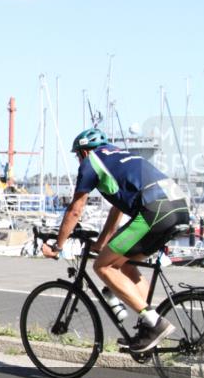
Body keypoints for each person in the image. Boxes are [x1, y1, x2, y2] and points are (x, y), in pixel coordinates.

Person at [42, 128, 189, 353]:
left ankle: (155, 323)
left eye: (77, 155)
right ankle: (148, 326)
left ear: (83, 152)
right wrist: (101, 244)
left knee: (102, 266)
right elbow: (116, 211)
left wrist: (58, 247)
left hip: (154, 210)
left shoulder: (91, 162)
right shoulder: (119, 156)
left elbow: (75, 209)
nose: (77, 160)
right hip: (178, 206)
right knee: (124, 263)